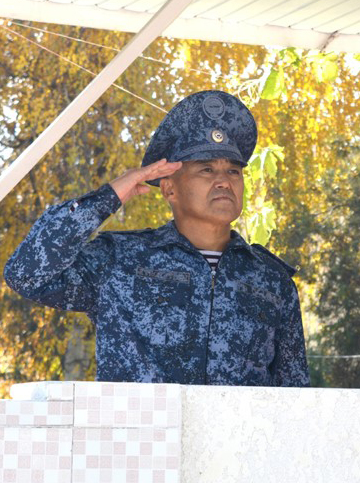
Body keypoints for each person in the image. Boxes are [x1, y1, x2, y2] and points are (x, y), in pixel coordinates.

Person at [4, 90, 309, 386]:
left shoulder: (272, 280)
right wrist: (109, 197)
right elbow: (26, 274)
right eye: (206, 169)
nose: (223, 181)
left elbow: (294, 392)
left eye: (233, 172)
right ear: (169, 188)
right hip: (142, 425)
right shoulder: (119, 260)